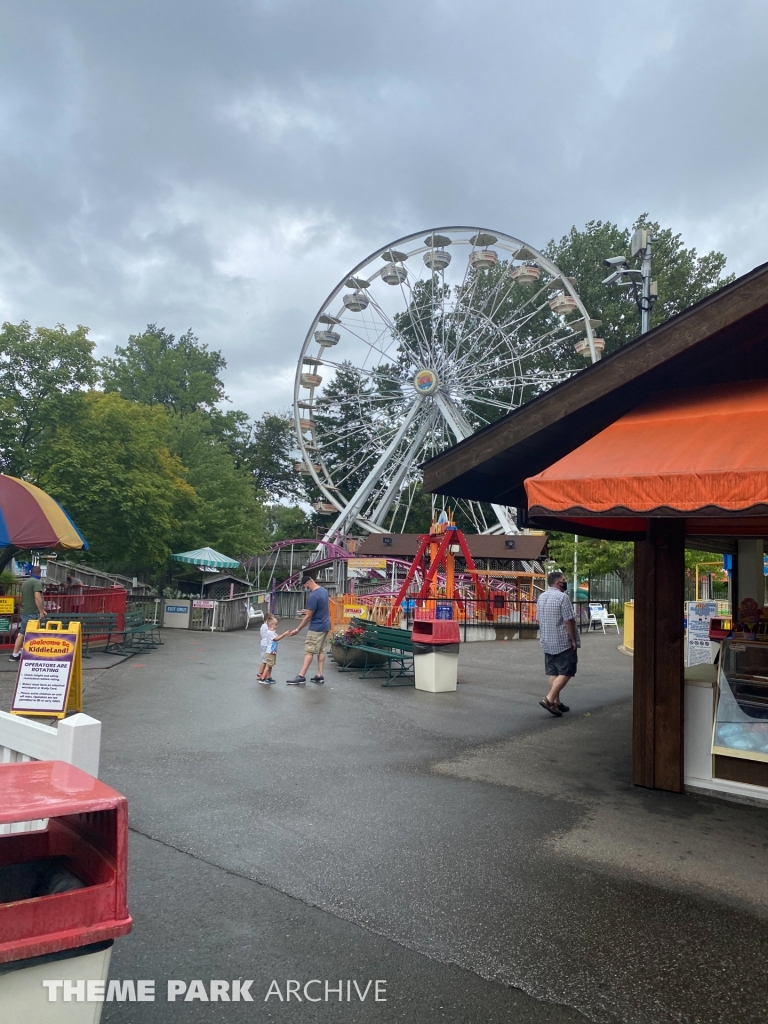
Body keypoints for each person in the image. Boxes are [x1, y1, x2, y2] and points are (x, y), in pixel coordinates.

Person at [536, 570, 579, 717]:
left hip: (547, 640)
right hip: (562, 641)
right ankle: (549, 698)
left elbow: (539, 619)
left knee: (553, 672)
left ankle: (556, 703)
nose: (565, 582)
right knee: (567, 671)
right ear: (557, 582)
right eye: (564, 580)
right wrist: (573, 639)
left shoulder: (541, 597)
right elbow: (569, 620)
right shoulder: (562, 597)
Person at [286, 573, 331, 685]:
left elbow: (308, 617)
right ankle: (319, 675)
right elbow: (319, 609)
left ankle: (301, 676)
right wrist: (307, 611)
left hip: (316, 627)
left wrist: (298, 629)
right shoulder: (324, 591)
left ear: (307, 583)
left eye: (305, 586)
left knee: (309, 651)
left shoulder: (313, 596)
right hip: (325, 625)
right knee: (321, 650)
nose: (306, 589)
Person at [10, 564, 46, 661]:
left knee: (25, 632)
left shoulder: (26, 582)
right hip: (31, 612)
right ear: (40, 573)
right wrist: (41, 611)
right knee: (24, 633)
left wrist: (42, 610)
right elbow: (37, 597)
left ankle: (21, 651)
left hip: (25, 610)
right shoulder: (36, 582)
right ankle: (15, 654)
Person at [258, 615, 290, 685]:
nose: (277, 626)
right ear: (271, 625)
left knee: (270, 665)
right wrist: (284, 634)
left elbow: (276, 636)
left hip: (272, 651)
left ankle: (268, 677)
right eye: (275, 624)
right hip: (269, 652)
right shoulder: (269, 633)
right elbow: (277, 638)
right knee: (268, 665)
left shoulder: (272, 632)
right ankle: (263, 678)